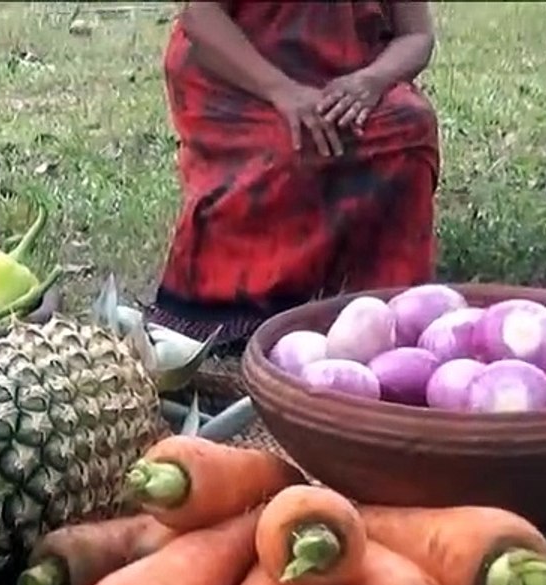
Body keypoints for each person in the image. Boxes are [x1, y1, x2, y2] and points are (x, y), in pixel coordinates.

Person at [147, 1, 441, 352]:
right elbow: (201, 19)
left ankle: (382, 305)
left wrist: (371, 80)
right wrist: (281, 90)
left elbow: (417, 36)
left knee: (409, 125)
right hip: (239, 80)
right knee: (290, 147)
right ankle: (239, 306)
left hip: (348, 82)